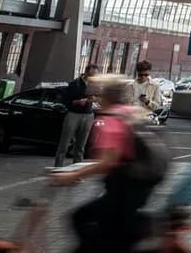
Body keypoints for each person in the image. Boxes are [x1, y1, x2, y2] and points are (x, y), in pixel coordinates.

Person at [51, 75, 154, 253]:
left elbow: (107, 163)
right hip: (140, 189)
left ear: (104, 97)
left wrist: (72, 175)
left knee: (80, 217)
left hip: (123, 192)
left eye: (98, 95)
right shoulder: (131, 113)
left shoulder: (111, 120)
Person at [56, 64, 98, 168]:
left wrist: (91, 99)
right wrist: (78, 102)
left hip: (88, 115)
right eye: (92, 75)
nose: (94, 78)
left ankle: (76, 170)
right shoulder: (75, 84)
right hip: (73, 114)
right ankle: (58, 168)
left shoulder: (95, 85)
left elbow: (99, 98)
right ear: (87, 72)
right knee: (64, 143)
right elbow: (66, 101)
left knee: (81, 146)